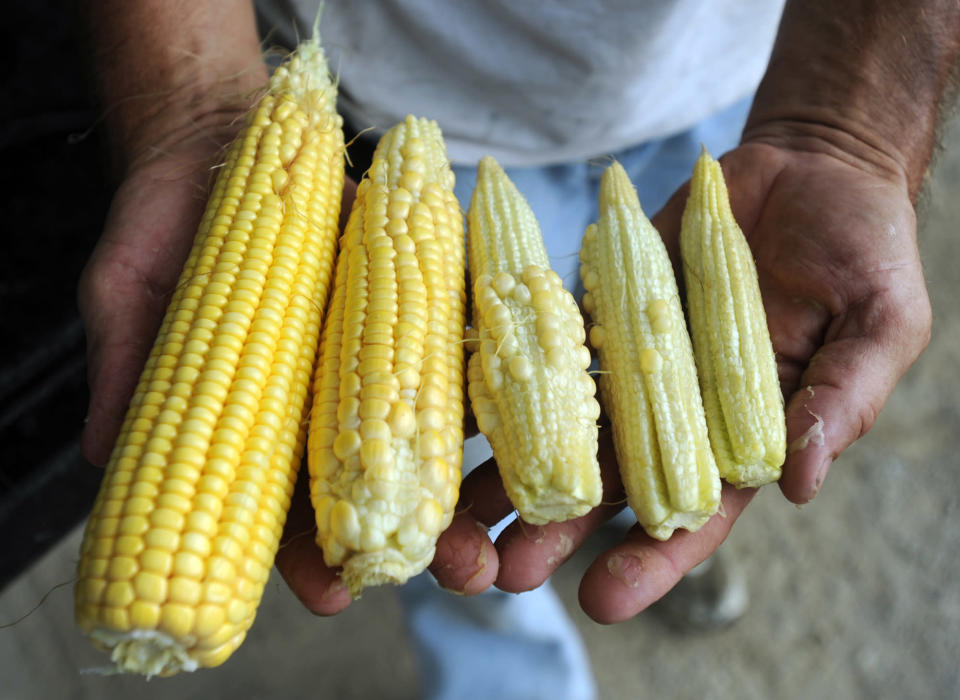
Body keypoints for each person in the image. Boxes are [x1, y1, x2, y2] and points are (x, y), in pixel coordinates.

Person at [76, 0, 953, 695]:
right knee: (466, 503)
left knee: (699, 361)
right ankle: (511, 676)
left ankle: (646, 510)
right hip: (383, 97)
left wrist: (850, 128)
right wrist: (193, 117)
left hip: (750, 83)